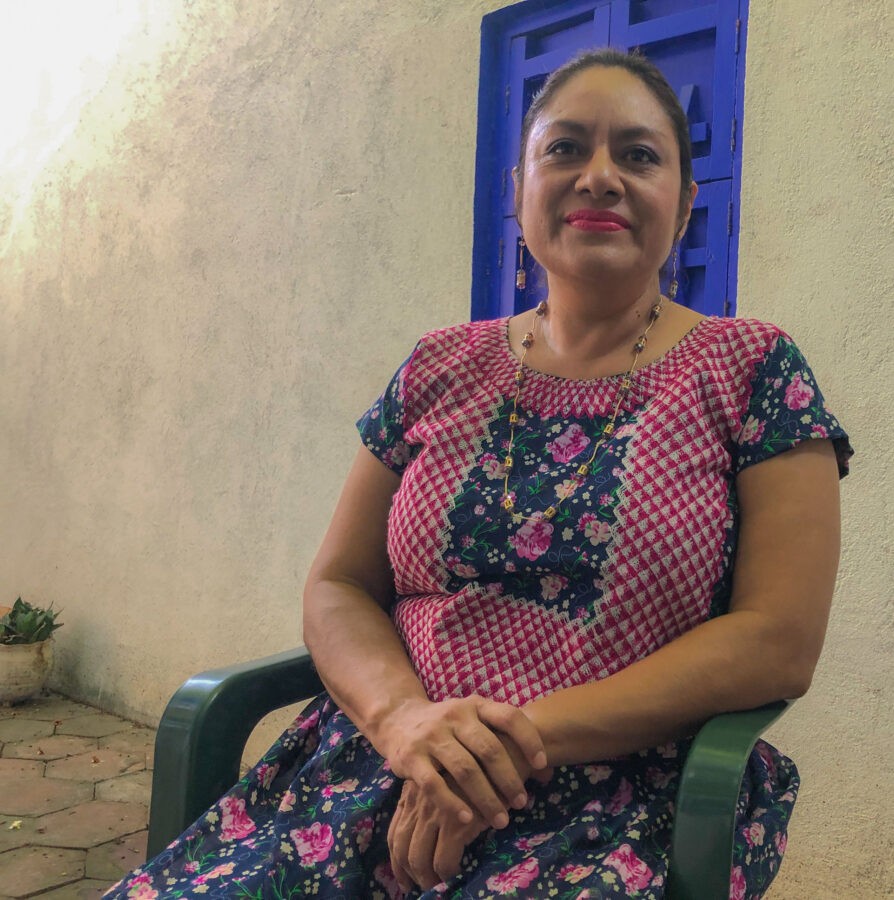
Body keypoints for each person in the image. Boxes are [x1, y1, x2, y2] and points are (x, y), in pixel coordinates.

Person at [106, 47, 852, 900]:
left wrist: (500, 747)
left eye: (639, 154)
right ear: (519, 189)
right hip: (379, 766)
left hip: (629, 800)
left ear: (684, 202)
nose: (599, 176)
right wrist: (402, 722)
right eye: (564, 148)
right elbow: (339, 585)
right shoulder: (438, 365)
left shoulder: (752, 369)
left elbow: (776, 640)